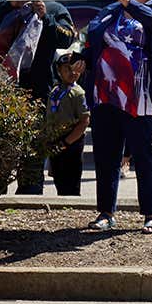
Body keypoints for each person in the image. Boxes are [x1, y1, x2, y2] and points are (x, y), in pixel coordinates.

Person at [84, 0, 152, 232]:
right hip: (108, 95)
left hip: (143, 96)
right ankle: (105, 212)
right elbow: (95, 43)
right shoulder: (110, 11)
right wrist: (82, 58)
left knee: (147, 156)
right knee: (107, 154)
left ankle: (151, 214)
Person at [0, 0, 77, 193]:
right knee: (0, 148)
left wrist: (46, 17)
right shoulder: (6, 5)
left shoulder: (54, 7)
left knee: (33, 150)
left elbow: (68, 37)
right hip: (4, 88)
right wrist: (11, 4)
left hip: (37, 89)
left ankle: (30, 192)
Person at [43, 51, 90, 196]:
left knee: (71, 183)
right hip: (55, 143)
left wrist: (66, 142)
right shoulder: (55, 91)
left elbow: (84, 121)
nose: (72, 72)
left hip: (71, 144)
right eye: (67, 69)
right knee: (59, 180)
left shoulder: (78, 93)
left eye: (75, 69)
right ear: (59, 71)